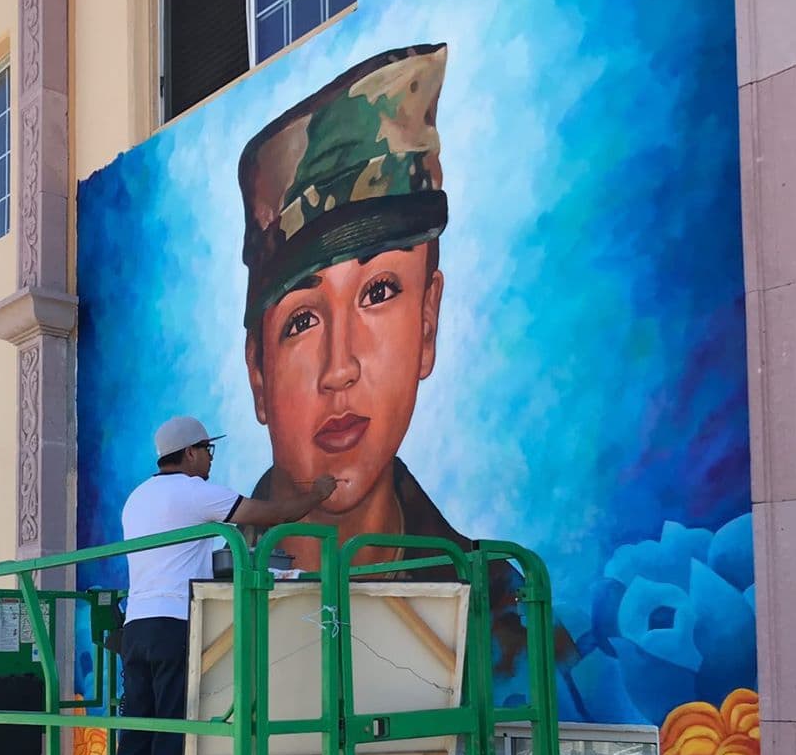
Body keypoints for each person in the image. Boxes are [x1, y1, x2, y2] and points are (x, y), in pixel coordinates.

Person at [237, 43, 577, 679]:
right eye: (302, 320)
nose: (341, 368)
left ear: (427, 324)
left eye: (379, 292)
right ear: (259, 371)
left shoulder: (508, 618)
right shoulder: (214, 590)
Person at [115, 414, 336, 755]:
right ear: (191, 453)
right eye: (208, 451)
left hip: (137, 626)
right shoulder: (194, 492)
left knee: (136, 732)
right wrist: (318, 495)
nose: (211, 460)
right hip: (173, 623)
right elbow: (268, 513)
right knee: (171, 734)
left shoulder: (138, 497)